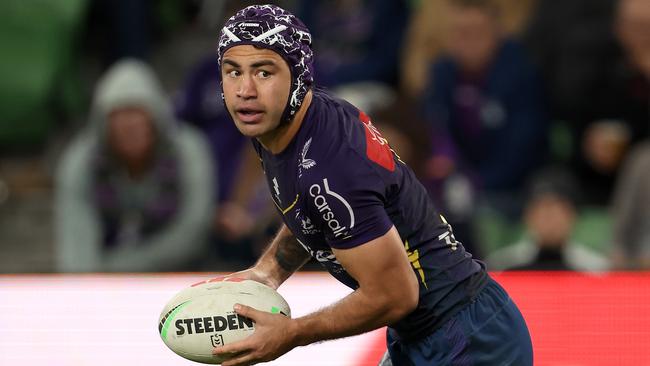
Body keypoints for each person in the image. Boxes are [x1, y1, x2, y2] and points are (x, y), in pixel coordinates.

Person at [210, 5, 532, 365]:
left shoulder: (332, 166)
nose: (245, 90)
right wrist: (266, 273)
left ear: (299, 75)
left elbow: (395, 295)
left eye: (264, 72)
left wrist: (292, 333)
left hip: (469, 339)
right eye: (233, 71)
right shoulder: (287, 124)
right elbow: (311, 207)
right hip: (426, 333)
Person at [55, 59, 214, 272]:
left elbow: (193, 231)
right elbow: (76, 243)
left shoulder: (188, 150)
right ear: (103, 125)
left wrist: (119, 269)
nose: (129, 126)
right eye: (119, 117)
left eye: (137, 115)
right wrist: (88, 287)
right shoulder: (81, 161)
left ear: (157, 118)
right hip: (102, 280)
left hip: (182, 275)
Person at [487, 168, 610, 272]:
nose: (550, 219)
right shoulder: (501, 268)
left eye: (558, 210)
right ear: (528, 216)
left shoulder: (597, 270)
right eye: (542, 209)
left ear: (573, 216)